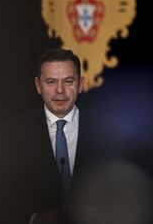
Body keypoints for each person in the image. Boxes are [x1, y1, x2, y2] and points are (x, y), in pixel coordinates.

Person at [9, 48, 132, 224]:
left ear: (80, 84)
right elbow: (4, 198)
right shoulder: (16, 134)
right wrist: (35, 219)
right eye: (51, 82)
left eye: (68, 81)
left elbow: (125, 196)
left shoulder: (109, 131)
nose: (60, 90)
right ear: (38, 86)